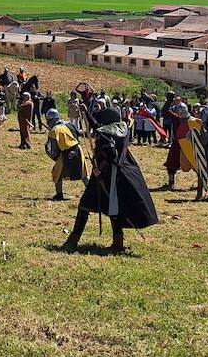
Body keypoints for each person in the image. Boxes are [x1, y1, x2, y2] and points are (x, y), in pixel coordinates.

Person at [63, 98, 158, 253]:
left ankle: (73, 241)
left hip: (105, 177)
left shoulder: (107, 135)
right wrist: (86, 113)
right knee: (115, 208)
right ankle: (118, 242)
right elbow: (99, 127)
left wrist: (99, 168)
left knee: (84, 206)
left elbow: (110, 153)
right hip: (121, 176)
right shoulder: (122, 130)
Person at [44, 108, 88, 201]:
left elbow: (53, 149)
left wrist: (56, 157)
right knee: (83, 174)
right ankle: (92, 193)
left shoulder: (54, 130)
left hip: (65, 153)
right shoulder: (69, 124)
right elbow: (77, 134)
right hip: (77, 149)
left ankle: (59, 195)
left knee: (57, 172)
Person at [163, 101, 196, 189]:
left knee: (196, 164)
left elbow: (165, 110)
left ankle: (202, 182)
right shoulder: (178, 118)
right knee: (171, 163)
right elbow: (165, 111)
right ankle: (171, 183)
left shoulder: (191, 120)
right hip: (178, 144)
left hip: (188, 145)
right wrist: (169, 99)